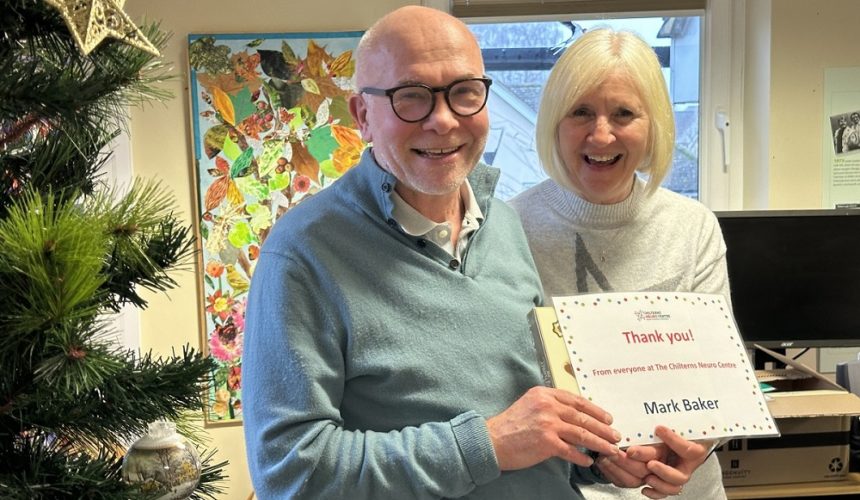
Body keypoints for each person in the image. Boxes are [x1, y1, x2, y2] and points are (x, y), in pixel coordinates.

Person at [243, 7, 707, 499]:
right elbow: (290, 474)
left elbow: (536, 428)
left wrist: (605, 460)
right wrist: (485, 444)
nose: (443, 120)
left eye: (464, 93)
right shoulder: (303, 254)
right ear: (362, 116)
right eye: (411, 97)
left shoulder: (503, 223)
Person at [510, 28, 728, 500]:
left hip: (679, 489)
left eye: (624, 113)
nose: (602, 134)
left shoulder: (694, 228)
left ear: (654, 126)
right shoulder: (507, 227)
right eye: (581, 112)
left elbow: (719, 377)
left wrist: (691, 448)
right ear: (554, 121)